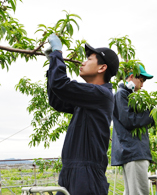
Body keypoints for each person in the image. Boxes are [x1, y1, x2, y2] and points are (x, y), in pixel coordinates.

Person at [45, 33, 119, 195]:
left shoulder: (101, 94)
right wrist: (52, 63)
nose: (82, 62)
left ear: (102, 67)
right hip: (71, 171)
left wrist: (57, 54)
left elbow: (61, 85)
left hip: (86, 175)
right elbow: (56, 100)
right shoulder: (88, 98)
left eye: (89, 59)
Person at [111, 64, 154, 195]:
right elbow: (129, 120)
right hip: (133, 151)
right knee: (139, 192)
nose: (142, 85)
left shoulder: (129, 96)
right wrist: (151, 115)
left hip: (131, 152)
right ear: (131, 77)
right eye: (141, 81)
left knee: (132, 192)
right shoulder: (122, 94)